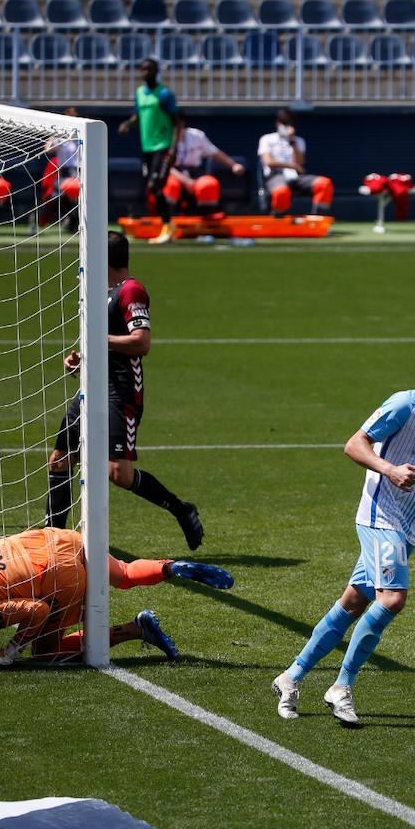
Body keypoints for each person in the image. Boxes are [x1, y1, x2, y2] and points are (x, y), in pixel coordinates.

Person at [271, 337, 415, 724]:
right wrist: (389, 469)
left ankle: (291, 676)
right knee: (392, 599)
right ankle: (342, 685)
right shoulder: (407, 404)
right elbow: (354, 444)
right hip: (380, 516)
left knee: (355, 602)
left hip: (411, 529)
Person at [47, 231, 206, 547]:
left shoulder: (131, 291)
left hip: (121, 393)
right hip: (92, 388)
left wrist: (99, 343)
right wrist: (80, 360)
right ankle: (53, 540)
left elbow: (141, 342)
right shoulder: (101, 292)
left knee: (118, 473)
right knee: (59, 459)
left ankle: (181, 509)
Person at [0, 526, 233, 668]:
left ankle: (136, 629)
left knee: (44, 651)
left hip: (55, 573)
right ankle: (171, 567)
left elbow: (37, 611)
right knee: (122, 573)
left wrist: (10, 650)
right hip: (53, 538)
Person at [118, 59, 183, 245]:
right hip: (147, 147)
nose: (145, 72)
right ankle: (168, 225)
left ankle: (168, 226)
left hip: (162, 147)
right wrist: (128, 124)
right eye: (143, 69)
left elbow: (177, 122)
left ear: (156, 72)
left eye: (149, 69)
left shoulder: (164, 94)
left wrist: (173, 148)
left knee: (155, 185)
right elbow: (138, 114)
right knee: (153, 187)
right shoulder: (140, 93)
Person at [258, 108, 334, 216]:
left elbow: (300, 162)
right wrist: (291, 165)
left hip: (296, 177)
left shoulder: (299, 141)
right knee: (281, 192)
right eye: (285, 123)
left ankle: (319, 218)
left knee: (324, 184)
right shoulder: (266, 139)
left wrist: (292, 142)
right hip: (275, 177)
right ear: (278, 124)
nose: (288, 126)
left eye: (290, 123)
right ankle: (279, 219)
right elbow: (268, 162)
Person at [167, 122, 245, 214]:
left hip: (194, 172)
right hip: (171, 173)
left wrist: (233, 165)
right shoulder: (161, 137)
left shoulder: (196, 135)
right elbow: (162, 164)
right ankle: (167, 219)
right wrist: (185, 181)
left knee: (209, 184)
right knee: (172, 185)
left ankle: (208, 221)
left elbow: (214, 152)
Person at [41, 106, 82, 233]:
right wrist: (52, 139)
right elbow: (48, 150)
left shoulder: (83, 133)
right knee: (70, 189)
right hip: (65, 173)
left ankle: (74, 220)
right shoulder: (61, 135)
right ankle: (70, 220)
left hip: (82, 171)